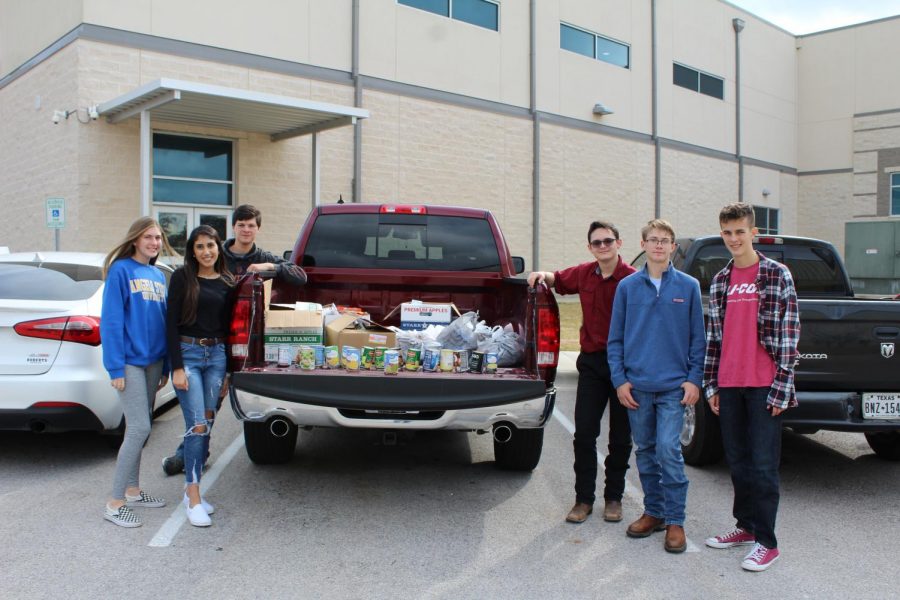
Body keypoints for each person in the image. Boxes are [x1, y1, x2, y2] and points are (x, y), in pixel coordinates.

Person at [162, 204, 307, 475]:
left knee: (212, 405)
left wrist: (269, 266)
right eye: (241, 224)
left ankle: (194, 453)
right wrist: (176, 363)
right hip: (207, 338)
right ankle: (190, 454)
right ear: (233, 228)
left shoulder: (263, 256)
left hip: (245, 343)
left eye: (251, 225)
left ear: (258, 229)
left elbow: (300, 276)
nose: (246, 229)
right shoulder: (216, 256)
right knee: (206, 406)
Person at [703, 203, 799, 572]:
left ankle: (767, 542)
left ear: (753, 233)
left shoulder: (776, 275)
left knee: (762, 467)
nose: (733, 239)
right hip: (728, 383)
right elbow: (715, 338)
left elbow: (790, 335)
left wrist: (781, 386)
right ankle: (745, 527)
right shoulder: (721, 280)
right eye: (727, 232)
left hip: (763, 386)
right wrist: (711, 384)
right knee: (738, 463)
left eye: (740, 232)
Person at [528, 221, 636, 525]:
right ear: (590, 247)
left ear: (619, 243)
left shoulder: (632, 279)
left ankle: (613, 498)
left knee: (621, 438)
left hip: (625, 368)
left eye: (608, 241)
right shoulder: (584, 273)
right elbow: (557, 279)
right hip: (591, 365)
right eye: (597, 243)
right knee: (585, 433)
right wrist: (540, 275)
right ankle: (583, 499)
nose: (603, 247)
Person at [607, 218, 705, 553]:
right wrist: (620, 381)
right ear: (644, 244)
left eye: (665, 240)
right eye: (653, 239)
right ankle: (655, 512)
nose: (659, 245)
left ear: (673, 247)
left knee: (668, 449)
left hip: (673, 388)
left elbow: (698, 340)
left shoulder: (688, 287)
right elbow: (615, 339)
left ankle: (675, 521)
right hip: (637, 387)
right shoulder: (627, 288)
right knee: (646, 451)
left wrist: (694, 380)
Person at [101, 217, 174, 528]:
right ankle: (115, 502)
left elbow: (163, 323)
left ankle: (133, 490)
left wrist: (167, 365)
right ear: (135, 240)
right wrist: (115, 367)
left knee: (138, 426)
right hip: (129, 362)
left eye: (157, 238)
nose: (154, 243)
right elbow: (112, 322)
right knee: (140, 429)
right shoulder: (121, 271)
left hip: (153, 362)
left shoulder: (157, 274)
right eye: (148, 237)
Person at [166, 225, 234, 527]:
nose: (206, 251)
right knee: (195, 426)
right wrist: (177, 367)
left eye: (211, 245)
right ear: (192, 251)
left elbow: (230, 330)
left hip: (217, 358)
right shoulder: (183, 278)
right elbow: (170, 324)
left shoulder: (227, 282)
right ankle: (192, 495)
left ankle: (192, 491)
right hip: (189, 356)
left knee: (206, 423)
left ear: (219, 247)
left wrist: (230, 370)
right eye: (200, 247)